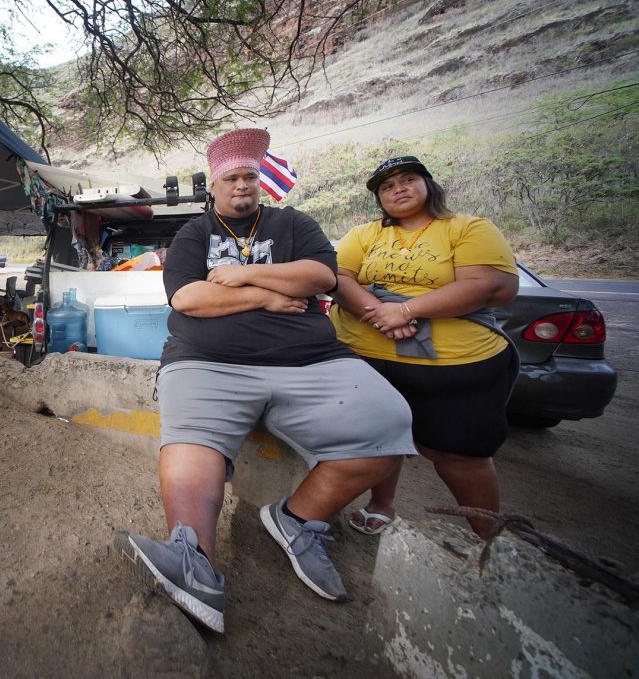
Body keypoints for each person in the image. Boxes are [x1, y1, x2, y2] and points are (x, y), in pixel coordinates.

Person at [113, 128, 415, 633]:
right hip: (206, 361)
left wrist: (239, 276)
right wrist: (269, 295)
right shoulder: (193, 234)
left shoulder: (293, 222)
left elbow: (320, 277)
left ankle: (297, 518)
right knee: (193, 439)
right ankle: (194, 562)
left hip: (312, 360)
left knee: (388, 423)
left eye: (249, 175)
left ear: (261, 179)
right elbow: (188, 299)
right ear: (213, 185)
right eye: (231, 178)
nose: (242, 185)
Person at [329, 156, 519, 539]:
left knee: (460, 454)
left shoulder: (467, 228)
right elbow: (337, 277)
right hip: (366, 358)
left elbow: (489, 286)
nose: (398, 188)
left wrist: (407, 310)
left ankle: (489, 538)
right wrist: (381, 313)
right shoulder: (364, 235)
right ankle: (381, 505)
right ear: (379, 200)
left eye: (408, 179)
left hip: (455, 366)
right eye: (387, 186)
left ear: (428, 184)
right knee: (382, 439)